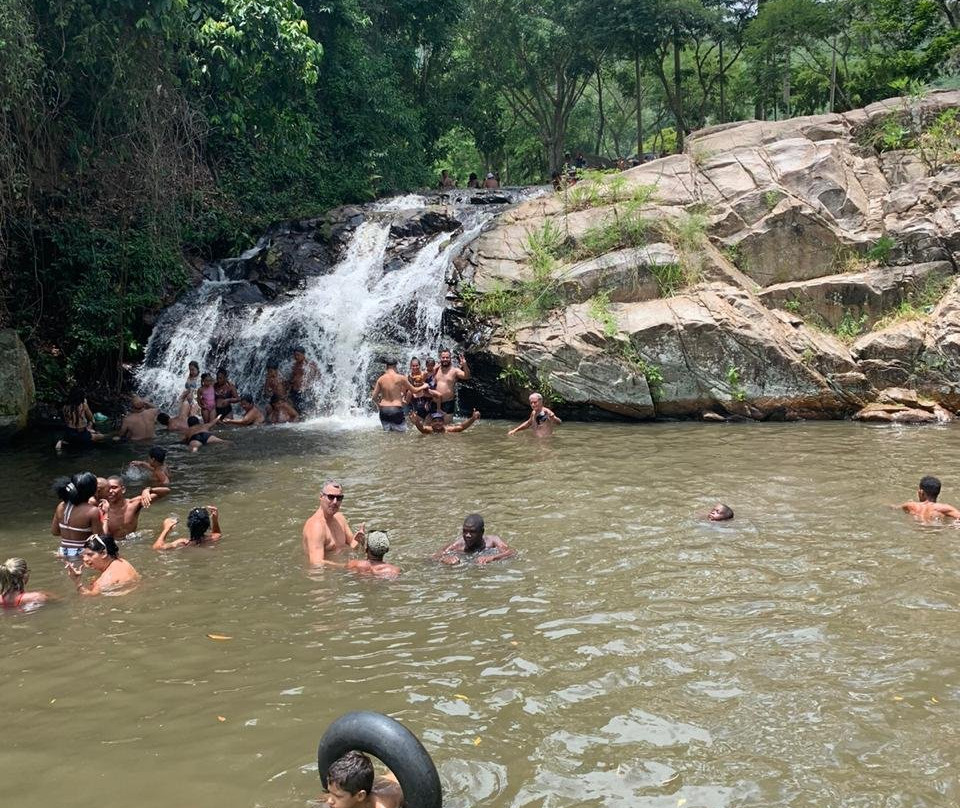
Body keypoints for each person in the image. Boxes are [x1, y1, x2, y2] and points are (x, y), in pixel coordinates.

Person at [302, 480, 366, 565]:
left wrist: (360, 541)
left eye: (339, 498)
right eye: (331, 497)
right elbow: (316, 563)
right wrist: (347, 567)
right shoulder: (316, 526)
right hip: (328, 575)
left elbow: (352, 545)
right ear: (321, 497)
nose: (335, 502)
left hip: (342, 569)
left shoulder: (340, 518)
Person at [324, 751, 403, 808]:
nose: (329, 800)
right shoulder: (341, 790)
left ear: (360, 796)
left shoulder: (381, 806)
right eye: (330, 792)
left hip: (404, 782)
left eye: (338, 797)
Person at [66, 534, 139, 595]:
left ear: (104, 553)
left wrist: (77, 581)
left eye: (90, 554)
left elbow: (88, 597)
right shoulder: (122, 562)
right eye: (84, 555)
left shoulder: (104, 580)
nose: (85, 559)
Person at [100, 475, 168, 539]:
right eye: (108, 488)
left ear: (123, 489)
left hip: (131, 542)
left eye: (114, 487)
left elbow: (166, 491)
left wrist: (148, 490)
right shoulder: (102, 508)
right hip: (112, 544)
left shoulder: (134, 504)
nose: (110, 491)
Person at [52, 472, 102, 559]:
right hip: (82, 554)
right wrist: (106, 517)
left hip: (62, 552)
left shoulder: (61, 506)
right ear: (92, 490)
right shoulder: (92, 511)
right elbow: (99, 538)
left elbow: (55, 532)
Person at [433, 514, 515, 565]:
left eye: (472, 532)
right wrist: (445, 559)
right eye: (465, 531)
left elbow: (511, 552)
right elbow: (434, 556)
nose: (467, 535)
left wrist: (492, 558)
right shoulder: (457, 545)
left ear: (482, 532)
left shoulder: (493, 541)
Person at [371, 357, 426, 432]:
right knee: (400, 436)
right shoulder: (401, 378)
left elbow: (374, 396)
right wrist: (424, 386)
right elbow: (414, 390)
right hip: (396, 409)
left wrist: (378, 405)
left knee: (387, 434)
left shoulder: (381, 379)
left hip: (384, 410)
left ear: (386, 367)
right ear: (395, 366)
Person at [322, 531, 400, 578]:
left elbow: (338, 566)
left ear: (366, 549)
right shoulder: (393, 570)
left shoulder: (355, 564)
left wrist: (323, 561)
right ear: (387, 550)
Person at [153, 505, 222, 551]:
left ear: (189, 525)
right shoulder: (213, 538)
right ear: (207, 525)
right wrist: (215, 520)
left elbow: (157, 547)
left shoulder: (183, 543)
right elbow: (217, 533)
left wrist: (166, 529)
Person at [433, 348, 470, 421]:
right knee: (431, 427)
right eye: (443, 357)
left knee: (447, 428)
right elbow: (425, 380)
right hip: (434, 403)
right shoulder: (436, 369)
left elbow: (466, 376)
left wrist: (465, 365)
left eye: (447, 357)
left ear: (450, 358)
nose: (445, 359)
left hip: (448, 403)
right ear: (440, 358)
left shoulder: (455, 370)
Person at [288, 346, 319, 414]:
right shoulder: (294, 365)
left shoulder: (309, 364)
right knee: (297, 410)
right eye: (295, 355)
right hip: (294, 391)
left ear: (303, 354)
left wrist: (309, 385)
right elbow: (292, 377)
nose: (296, 357)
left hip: (304, 391)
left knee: (305, 411)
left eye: (298, 355)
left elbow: (317, 376)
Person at [410, 410, 480, 434]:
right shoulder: (430, 430)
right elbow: (421, 428)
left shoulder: (448, 430)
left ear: (443, 423)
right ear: (431, 423)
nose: (438, 423)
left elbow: (461, 427)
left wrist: (473, 418)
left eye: (440, 421)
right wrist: (416, 421)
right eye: (435, 421)